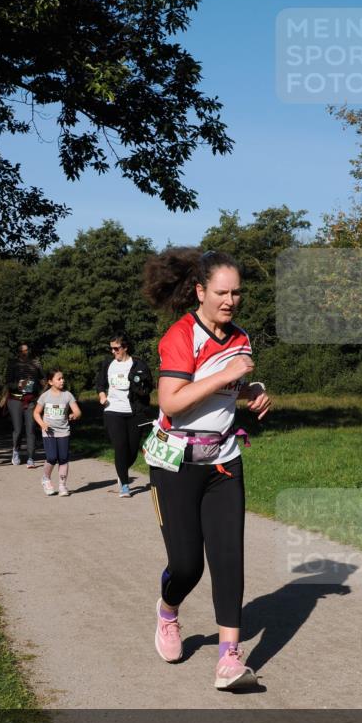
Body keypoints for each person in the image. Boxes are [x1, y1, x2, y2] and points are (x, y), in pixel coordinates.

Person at [142, 248, 271, 691]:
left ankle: (229, 659)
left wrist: (250, 390)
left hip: (224, 460)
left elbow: (226, 388)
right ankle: (168, 611)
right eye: (221, 292)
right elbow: (172, 402)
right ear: (200, 291)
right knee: (186, 565)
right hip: (175, 463)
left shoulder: (241, 338)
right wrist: (226, 377)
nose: (230, 301)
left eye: (237, 293)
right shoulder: (181, 335)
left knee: (228, 557)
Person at [95, 332, 153, 497]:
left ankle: (121, 471)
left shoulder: (139, 365)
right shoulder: (108, 364)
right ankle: (125, 484)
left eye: (116, 348)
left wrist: (138, 386)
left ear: (125, 347)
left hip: (134, 412)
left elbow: (148, 387)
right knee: (120, 446)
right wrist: (102, 396)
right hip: (113, 411)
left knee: (133, 450)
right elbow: (100, 384)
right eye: (111, 349)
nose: (113, 352)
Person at [33, 369, 82, 496]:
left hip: (63, 431)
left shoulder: (67, 395)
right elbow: (36, 413)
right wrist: (42, 424)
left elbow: (78, 411)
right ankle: (46, 478)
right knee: (52, 457)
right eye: (59, 379)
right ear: (50, 382)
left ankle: (62, 486)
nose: (62, 380)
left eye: (63, 378)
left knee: (63, 459)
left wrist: (74, 415)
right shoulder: (45, 396)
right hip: (49, 432)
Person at [5, 343, 44, 467]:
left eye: (26, 350)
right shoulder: (13, 364)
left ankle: (31, 457)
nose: (24, 352)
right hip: (16, 400)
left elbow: (43, 380)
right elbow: (8, 383)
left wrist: (41, 370)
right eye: (22, 351)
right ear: (18, 352)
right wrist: (18, 385)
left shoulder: (36, 364)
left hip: (31, 400)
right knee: (18, 429)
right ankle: (16, 451)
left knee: (31, 429)